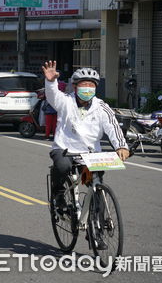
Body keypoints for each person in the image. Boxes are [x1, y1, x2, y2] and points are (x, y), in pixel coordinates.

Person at [42, 61, 129, 248]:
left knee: (97, 187)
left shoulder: (102, 107)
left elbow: (113, 127)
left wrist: (121, 146)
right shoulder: (65, 101)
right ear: (75, 86)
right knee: (63, 166)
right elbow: (52, 96)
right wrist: (50, 82)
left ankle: (95, 232)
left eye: (91, 85)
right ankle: (58, 195)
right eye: (83, 85)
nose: (87, 88)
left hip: (90, 154)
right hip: (65, 148)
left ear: (96, 88)